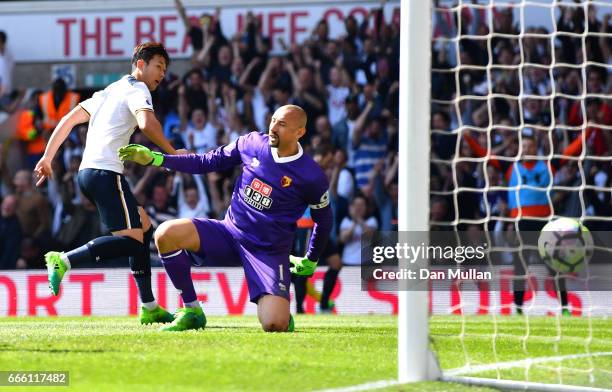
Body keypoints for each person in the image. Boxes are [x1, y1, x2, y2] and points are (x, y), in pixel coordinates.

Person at [118, 104, 333, 332]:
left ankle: (281, 312)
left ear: (299, 132)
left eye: (282, 124)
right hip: (229, 232)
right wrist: (157, 159)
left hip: (267, 251)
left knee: (274, 324)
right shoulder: (251, 143)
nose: (273, 128)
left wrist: (311, 259)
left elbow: (324, 219)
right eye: (272, 121)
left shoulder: (311, 176)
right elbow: (206, 162)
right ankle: (192, 311)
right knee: (166, 234)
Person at [34, 42, 181, 325]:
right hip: (106, 174)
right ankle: (63, 261)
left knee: (144, 227)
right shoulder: (138, 90)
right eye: (158, 66)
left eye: (165, 69)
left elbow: (67, 120)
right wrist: (173, 155)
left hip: (89, 173)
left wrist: (48, 157)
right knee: (130, 241)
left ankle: (149, 307)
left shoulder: (110, 90)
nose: (162, 74)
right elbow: (148, 124)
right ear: (140, 64)